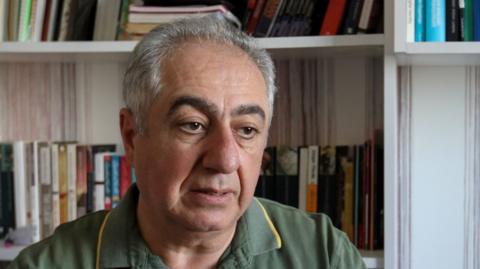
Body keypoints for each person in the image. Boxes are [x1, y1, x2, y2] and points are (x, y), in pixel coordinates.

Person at [8, 14, 367, 269]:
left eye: (246, 130)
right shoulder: (47, 264)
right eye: (193, 125)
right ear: (132, 135)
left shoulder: (323, 254)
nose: (225, 159)